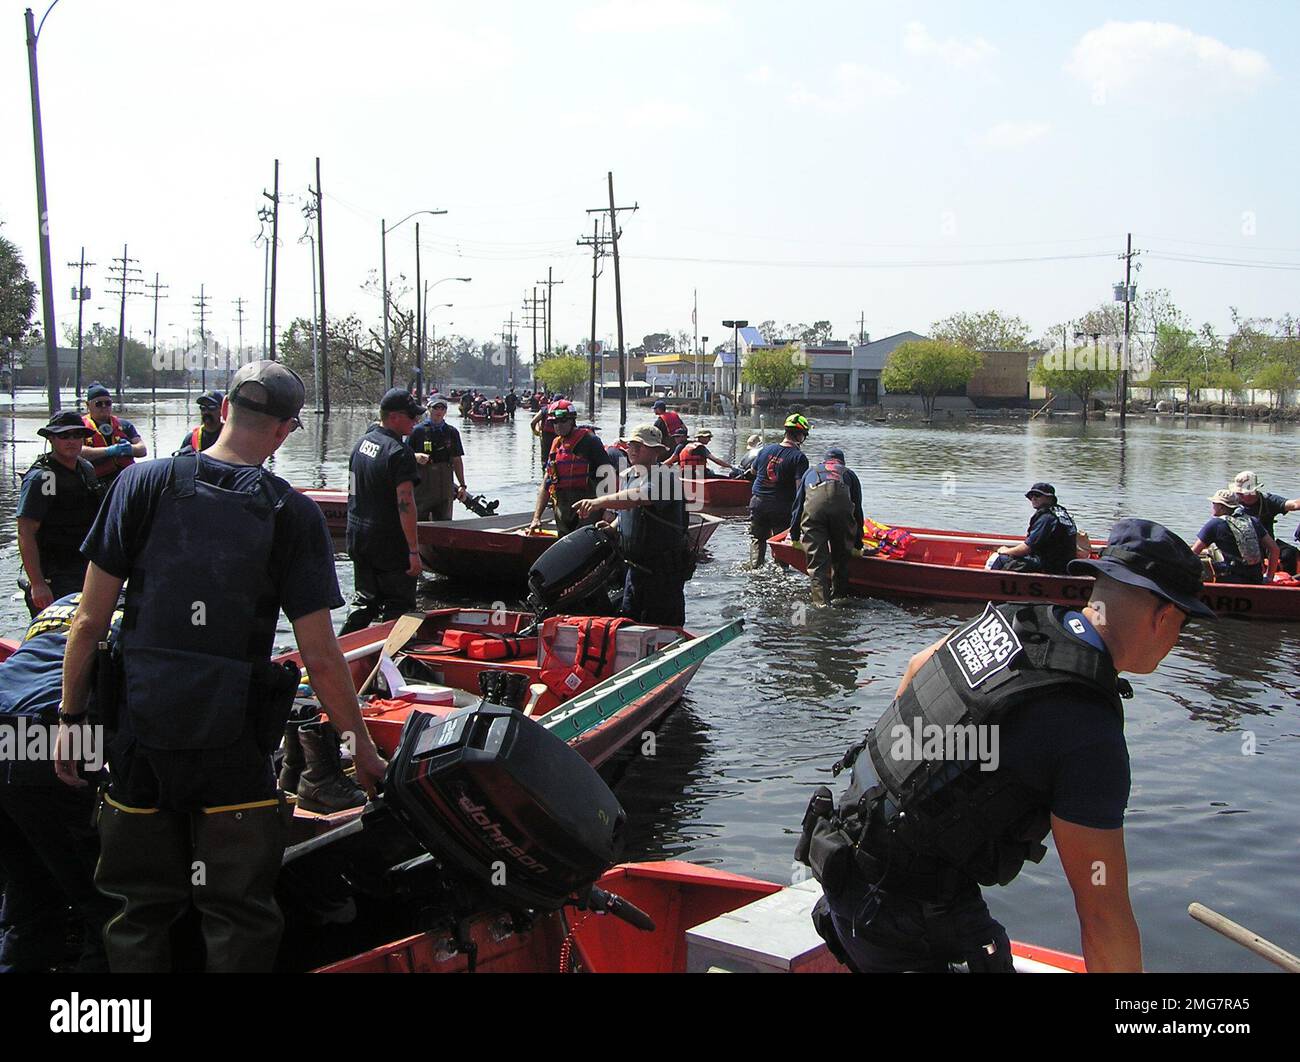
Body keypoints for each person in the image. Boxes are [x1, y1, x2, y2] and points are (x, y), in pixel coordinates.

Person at [53, 360, 388, 973]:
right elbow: (320, 654)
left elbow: (87, 622)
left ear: (224, 408)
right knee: (237, 910)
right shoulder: (293, 513)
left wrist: (73, 720)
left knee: (140, 909)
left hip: (140, 733)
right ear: (287, 429)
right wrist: (360, 748)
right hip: (232, 741)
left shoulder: (140, 484)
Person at [799, 519, 1214, 973]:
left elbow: (918, 667)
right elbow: (1103, 913)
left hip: (841, 858)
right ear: (1165, 617)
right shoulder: (1089, 730)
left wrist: (922, 779)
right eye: (1184, 625)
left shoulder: (1020, 620)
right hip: (903, 922)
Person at [0, 594, 118, 972]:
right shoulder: (149, 610)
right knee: (108, 907)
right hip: (52, 735)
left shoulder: (68, 602)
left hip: (3, 720)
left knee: (28, 898)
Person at [574, 425, 692, 626]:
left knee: (662, 625)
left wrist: (598, 502)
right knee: (630, 621)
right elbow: (631, 511)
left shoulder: (664, 477)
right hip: (635, 569)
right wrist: (613, 526)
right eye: (631, 445)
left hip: (662, 573)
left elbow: (638, 498)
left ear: (656, 451)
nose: (634, 450)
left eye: (641, 445)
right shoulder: (630, 476)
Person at [341, 388, 424, 636]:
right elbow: (405, 503)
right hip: (389, 544)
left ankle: (341, 648)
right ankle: (393, 662)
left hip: (358, 537)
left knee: (364, 601)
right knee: (400, 607)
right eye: (411, 416)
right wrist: (413, 551)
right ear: (394, 417)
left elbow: (353, 490)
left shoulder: (362, 444)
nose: (416, 421)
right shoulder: (399, 453)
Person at [16, 412, 103, 617]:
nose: (71, 441)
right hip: (53, 575)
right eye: (64, 436)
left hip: (82, 567)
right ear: (52, 439)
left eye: (76, 435)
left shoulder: (86, 468)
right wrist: (37, 584)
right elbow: (25, 532)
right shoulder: (43, 478)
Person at [791, 448, 865, 605]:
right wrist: (858, 544)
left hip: (814, 514)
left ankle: (821, 604)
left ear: (823, 461)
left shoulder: (810, 472)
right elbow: (857, 512)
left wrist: (795, 536)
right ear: (842, 462)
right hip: (842, 514)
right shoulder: (849, 474)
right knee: (841, 558)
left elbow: (797, 507)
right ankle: (840, 597)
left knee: (817, 563)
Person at [529, 404, 612, 536]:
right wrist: (536, 518)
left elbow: (609, 476)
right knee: (564, 544)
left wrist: (610, 508)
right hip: (563, 510)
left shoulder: (590, 441)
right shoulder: (556, 445)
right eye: (554, 422)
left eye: (563, 421)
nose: (558, 425)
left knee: (584, 542)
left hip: (587, 508)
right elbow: (546, 484)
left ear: (572, 420)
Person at [748, 414, 811, 567]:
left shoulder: (765, 450)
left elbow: (753, 471)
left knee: (757, 539)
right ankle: (781, 570)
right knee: (781, 544)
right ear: (800, 435)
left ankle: (755, 568)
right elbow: (799, 489)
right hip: (781, 507)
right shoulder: (799, 457)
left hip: (758, 502)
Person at [1191, 488, 1278, 585]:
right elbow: (1274, 549)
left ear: (1221, 507)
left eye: (1214, 503)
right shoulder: (1252, 521)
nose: (1212, 506)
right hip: (1255, 579)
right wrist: (1269, 577)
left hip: (1229, 579)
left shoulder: (1215, 524)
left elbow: (1192, 553)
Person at [990, 483, 1078, 575]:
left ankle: (989, 585)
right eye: (1031, 496)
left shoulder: (1047, 518)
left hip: (1049, 566)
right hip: (1062, 564)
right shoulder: (1062, 515)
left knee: (1001, 558)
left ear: (1050, 498)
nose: (1033, 498)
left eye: (1037, 495)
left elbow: (1026, 548)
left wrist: (1005, 551)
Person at [408, 397, 469, 521]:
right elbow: (404, 457)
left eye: (442, 408)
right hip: (422, 484)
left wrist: (462, 485)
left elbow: (457, 459)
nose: (439, 411)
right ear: (429, 409)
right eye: (436, 407)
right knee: (420, 520)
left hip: (444, 484)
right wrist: (416, 457)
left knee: (444, 521)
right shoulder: (417, 431)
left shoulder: (452, 432)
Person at [1230, 471, 1300, 574]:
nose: (1238, 496)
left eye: (1242, 493)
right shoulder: (1230, 501)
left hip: (1266, 546)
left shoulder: (1268, 501)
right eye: (1237, 492)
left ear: (1253, 491)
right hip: (1238, 546)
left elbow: (1294, 505)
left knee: (1290, 553)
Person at [80, 383, 146, 485]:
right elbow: (77, 451)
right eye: (98, 404)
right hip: (97, 481)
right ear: (88, 405)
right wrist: (108, 451)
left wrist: (130, 449)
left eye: (108, 403)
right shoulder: (80, 427)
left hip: (127, 478)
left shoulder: (124, 425)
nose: (104, 406)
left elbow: (142, 449)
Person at [666, 429, 734, 479]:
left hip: (685, 474)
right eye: (708, 437)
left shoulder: (687, 445)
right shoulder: (699, 447)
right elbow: (715, 460)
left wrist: (660, 465)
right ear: (701, 437)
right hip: (698, 475)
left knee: (710, 472)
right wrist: (731, 467)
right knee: (728, 478)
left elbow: (674, 460)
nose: (709, 440)